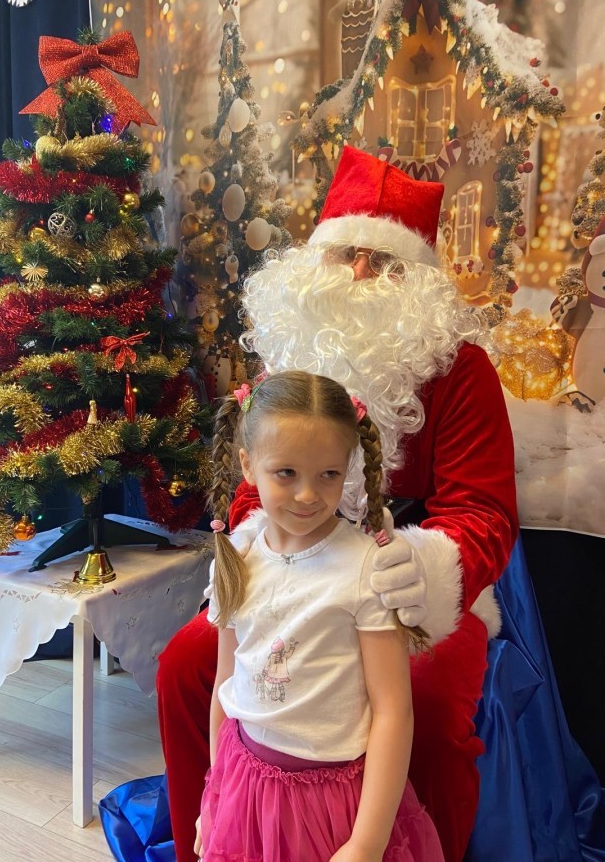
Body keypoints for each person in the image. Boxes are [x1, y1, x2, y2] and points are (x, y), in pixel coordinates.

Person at [157, 146, 518, 862]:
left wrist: (419, 569)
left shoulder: (462, 369)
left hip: (399, 581)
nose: (357, 273)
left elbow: (483, 511)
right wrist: (252, 548)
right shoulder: (292, 349)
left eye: (381, 261)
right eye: (344, 253)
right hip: (286, 561)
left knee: (431, 706)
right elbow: (254, 480)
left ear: (418, 280)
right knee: (186, 664)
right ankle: (210, 833)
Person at [195, 370, 443, 861]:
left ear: (348, 466)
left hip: (331, 805)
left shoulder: (366, 568)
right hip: (245, 789)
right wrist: (216, 794)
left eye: (328, 474)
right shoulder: (235, 557)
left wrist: (367, 843)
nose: (308, 495)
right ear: (248, 465)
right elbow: (227, 685)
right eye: (286, 473)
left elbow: (393, 710)